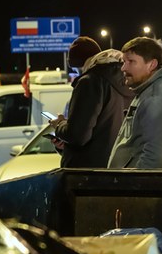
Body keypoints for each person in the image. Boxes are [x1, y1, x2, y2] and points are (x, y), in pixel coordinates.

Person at [49, 36, 133, 168]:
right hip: (117, 168)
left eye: (77, 70)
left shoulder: (90, 82)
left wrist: (59, 125)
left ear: (80, 65)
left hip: (87, 174)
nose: (78, 74)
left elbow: (78, 136)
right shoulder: (126, 79)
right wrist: (64, 146)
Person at [107, 37, 162, 169]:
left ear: (152, 65)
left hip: (138, 188)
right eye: (124, 61)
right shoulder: (148, 92)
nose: (123, 68)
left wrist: (133, 187)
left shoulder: (156, 99)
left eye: (131, 61)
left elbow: (153, 160)